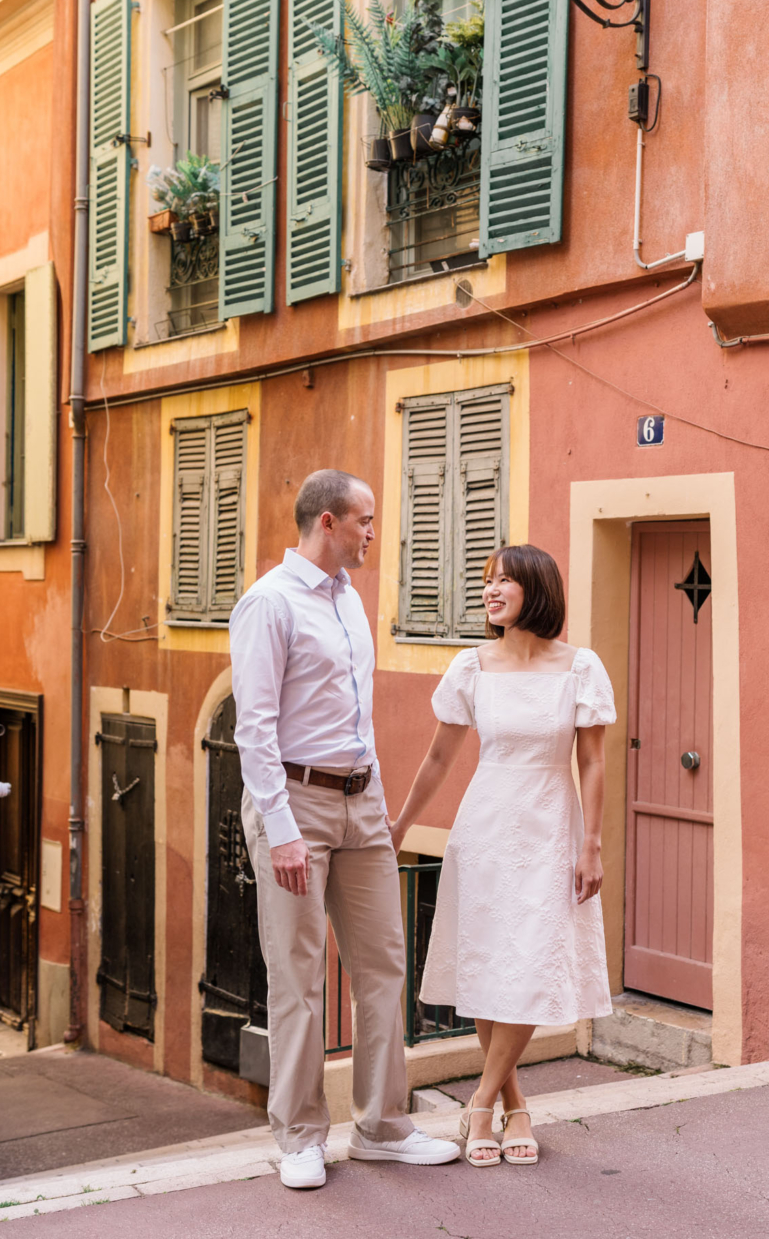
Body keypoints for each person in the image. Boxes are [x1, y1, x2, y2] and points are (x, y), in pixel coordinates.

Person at [230, 470, 459, 1190]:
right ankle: (298, 1135)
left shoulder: (351, 602)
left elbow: (355, 721)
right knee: (296, 975)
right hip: (294, 804)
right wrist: (283, 828)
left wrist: (382, 811)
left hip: (362, 805)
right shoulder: (268, 603)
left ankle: (384, 1126)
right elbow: (254, 730)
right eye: (363, 520)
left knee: (384, 964)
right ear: (326, 523)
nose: (372, 532)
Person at [390, 543, 615, 1168]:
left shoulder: (580, 667)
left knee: (532, 959)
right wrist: (402, 822)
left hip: (551, 826)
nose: (492, 591)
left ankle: (479, 1102)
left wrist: (591, 843)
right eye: (487, 581)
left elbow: (593, 761)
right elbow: (439, 758)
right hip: (484, 826)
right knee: (492, 962)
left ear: (536, 590)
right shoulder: (471, 666)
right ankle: (515, 1107)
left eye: (506, 581)